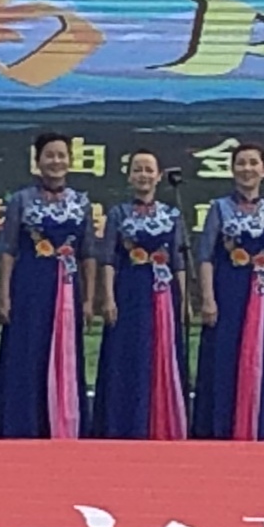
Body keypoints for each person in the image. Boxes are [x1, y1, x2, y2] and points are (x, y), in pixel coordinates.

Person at [0, 132, 95, 438]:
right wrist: (4, 295)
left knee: (65, 354)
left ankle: (63, 423)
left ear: (70, 161)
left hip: (67, 288)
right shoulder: (21, 200)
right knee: (26, 352)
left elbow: (89, 253)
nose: (55, 161)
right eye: (49, 155)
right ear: (37, 161)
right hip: (29, 286)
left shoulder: (81, 202)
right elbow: (8, 250)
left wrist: (89, 299)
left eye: (61, 155)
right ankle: (22, 425)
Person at [192, 142, 264, 441]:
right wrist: (208, 298)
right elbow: (205, 256)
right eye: (241, 163)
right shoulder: (219, 208)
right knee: (225, 357)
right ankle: (220, 426)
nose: (247, 169)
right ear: (232, 169)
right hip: (228, 292)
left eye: (253, 163)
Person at [91, 150, 193, 439]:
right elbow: (108, 258)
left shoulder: (172, 215)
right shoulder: (118, 214)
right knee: (127, 355)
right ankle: (123, 424)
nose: (143, 175)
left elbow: (179, 261)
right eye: (137, 169)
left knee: (162, 354)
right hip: (129, 291)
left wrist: (184, 299)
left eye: (149, 170)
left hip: (163, 293)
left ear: (159, 176)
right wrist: (108, 297)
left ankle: (163, 424)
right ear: (129, 176)